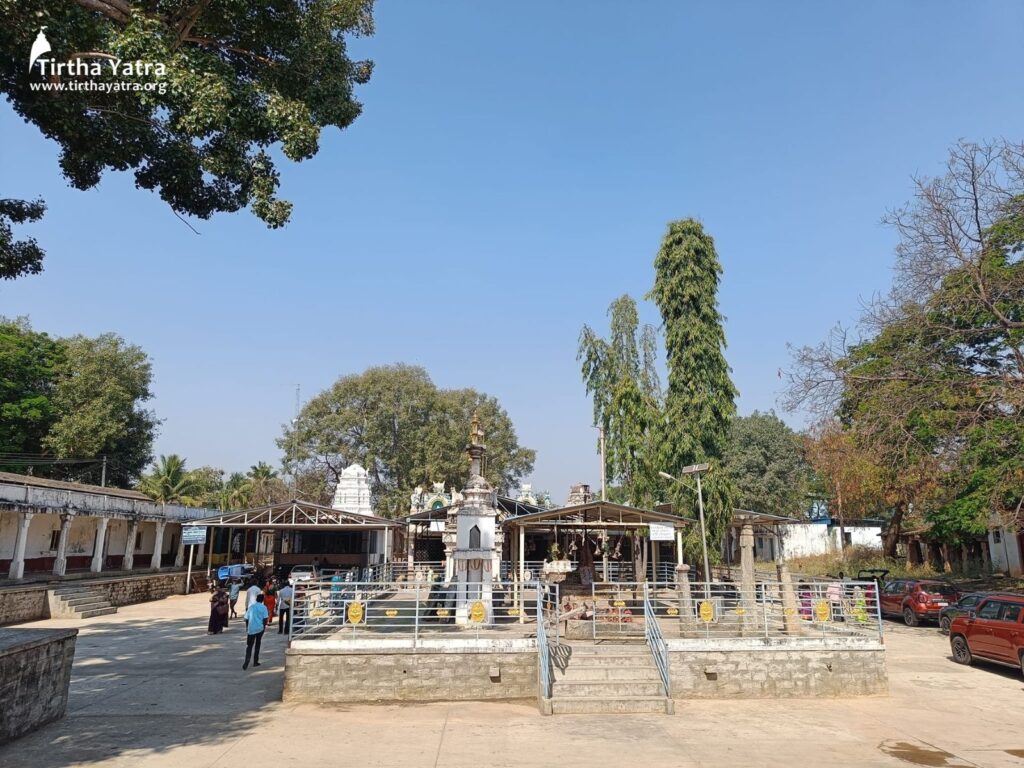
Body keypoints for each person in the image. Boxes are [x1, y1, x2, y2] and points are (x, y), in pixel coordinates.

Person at [242, 594, 269, 670]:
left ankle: (246, 662)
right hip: (259, 628)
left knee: (249, 646)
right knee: (258, 644)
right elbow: (265, 619)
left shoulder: (251, 607)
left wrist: (247, 627)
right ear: (262, 600)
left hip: (251, 629)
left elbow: (246, 618)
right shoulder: (264, 608)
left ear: (256, 599)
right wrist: (263, 627)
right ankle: (255, 661)